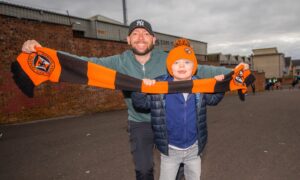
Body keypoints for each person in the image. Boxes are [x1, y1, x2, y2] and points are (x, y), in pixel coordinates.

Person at [21, 19, 249, 180]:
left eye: (146, 33)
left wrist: (235, 72)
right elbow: (85, 64)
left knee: (179, 169)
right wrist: (43, 54)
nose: (141, 37)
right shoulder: (118, 62)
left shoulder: (169, 59)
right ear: (129, 39)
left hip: (170, 121)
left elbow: (203, 70)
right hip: (139, 122)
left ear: (154, 39)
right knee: (144, 170)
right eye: (136, 33)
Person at [131, 38, 224, 180]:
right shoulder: (159, 86)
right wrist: (142, 89)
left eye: (187, 62)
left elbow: (213, 100)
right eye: (176, 62)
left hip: (194, 148)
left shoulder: (200, 86)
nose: (181, 66)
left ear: (193, 66)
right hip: (170, 150)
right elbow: (141, 104)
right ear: (169, 66)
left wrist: (219, 86)